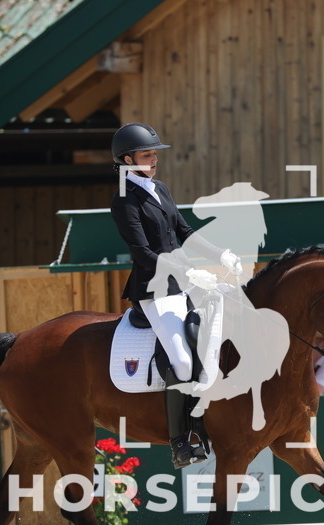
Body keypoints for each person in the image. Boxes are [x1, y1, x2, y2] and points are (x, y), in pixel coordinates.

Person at [109, 122, 238, 469]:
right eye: (147, 154)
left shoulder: (159, 189)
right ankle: (180, 441)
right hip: (154, 289)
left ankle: (205, 421)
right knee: (181, 360)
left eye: (154, 154)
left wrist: (218, 254)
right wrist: (186, 271)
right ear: (127, 158)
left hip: (184, 280)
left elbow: (184, 231)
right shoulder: (123, 199)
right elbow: (142, 252)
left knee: (214, 338)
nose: (154, 159)